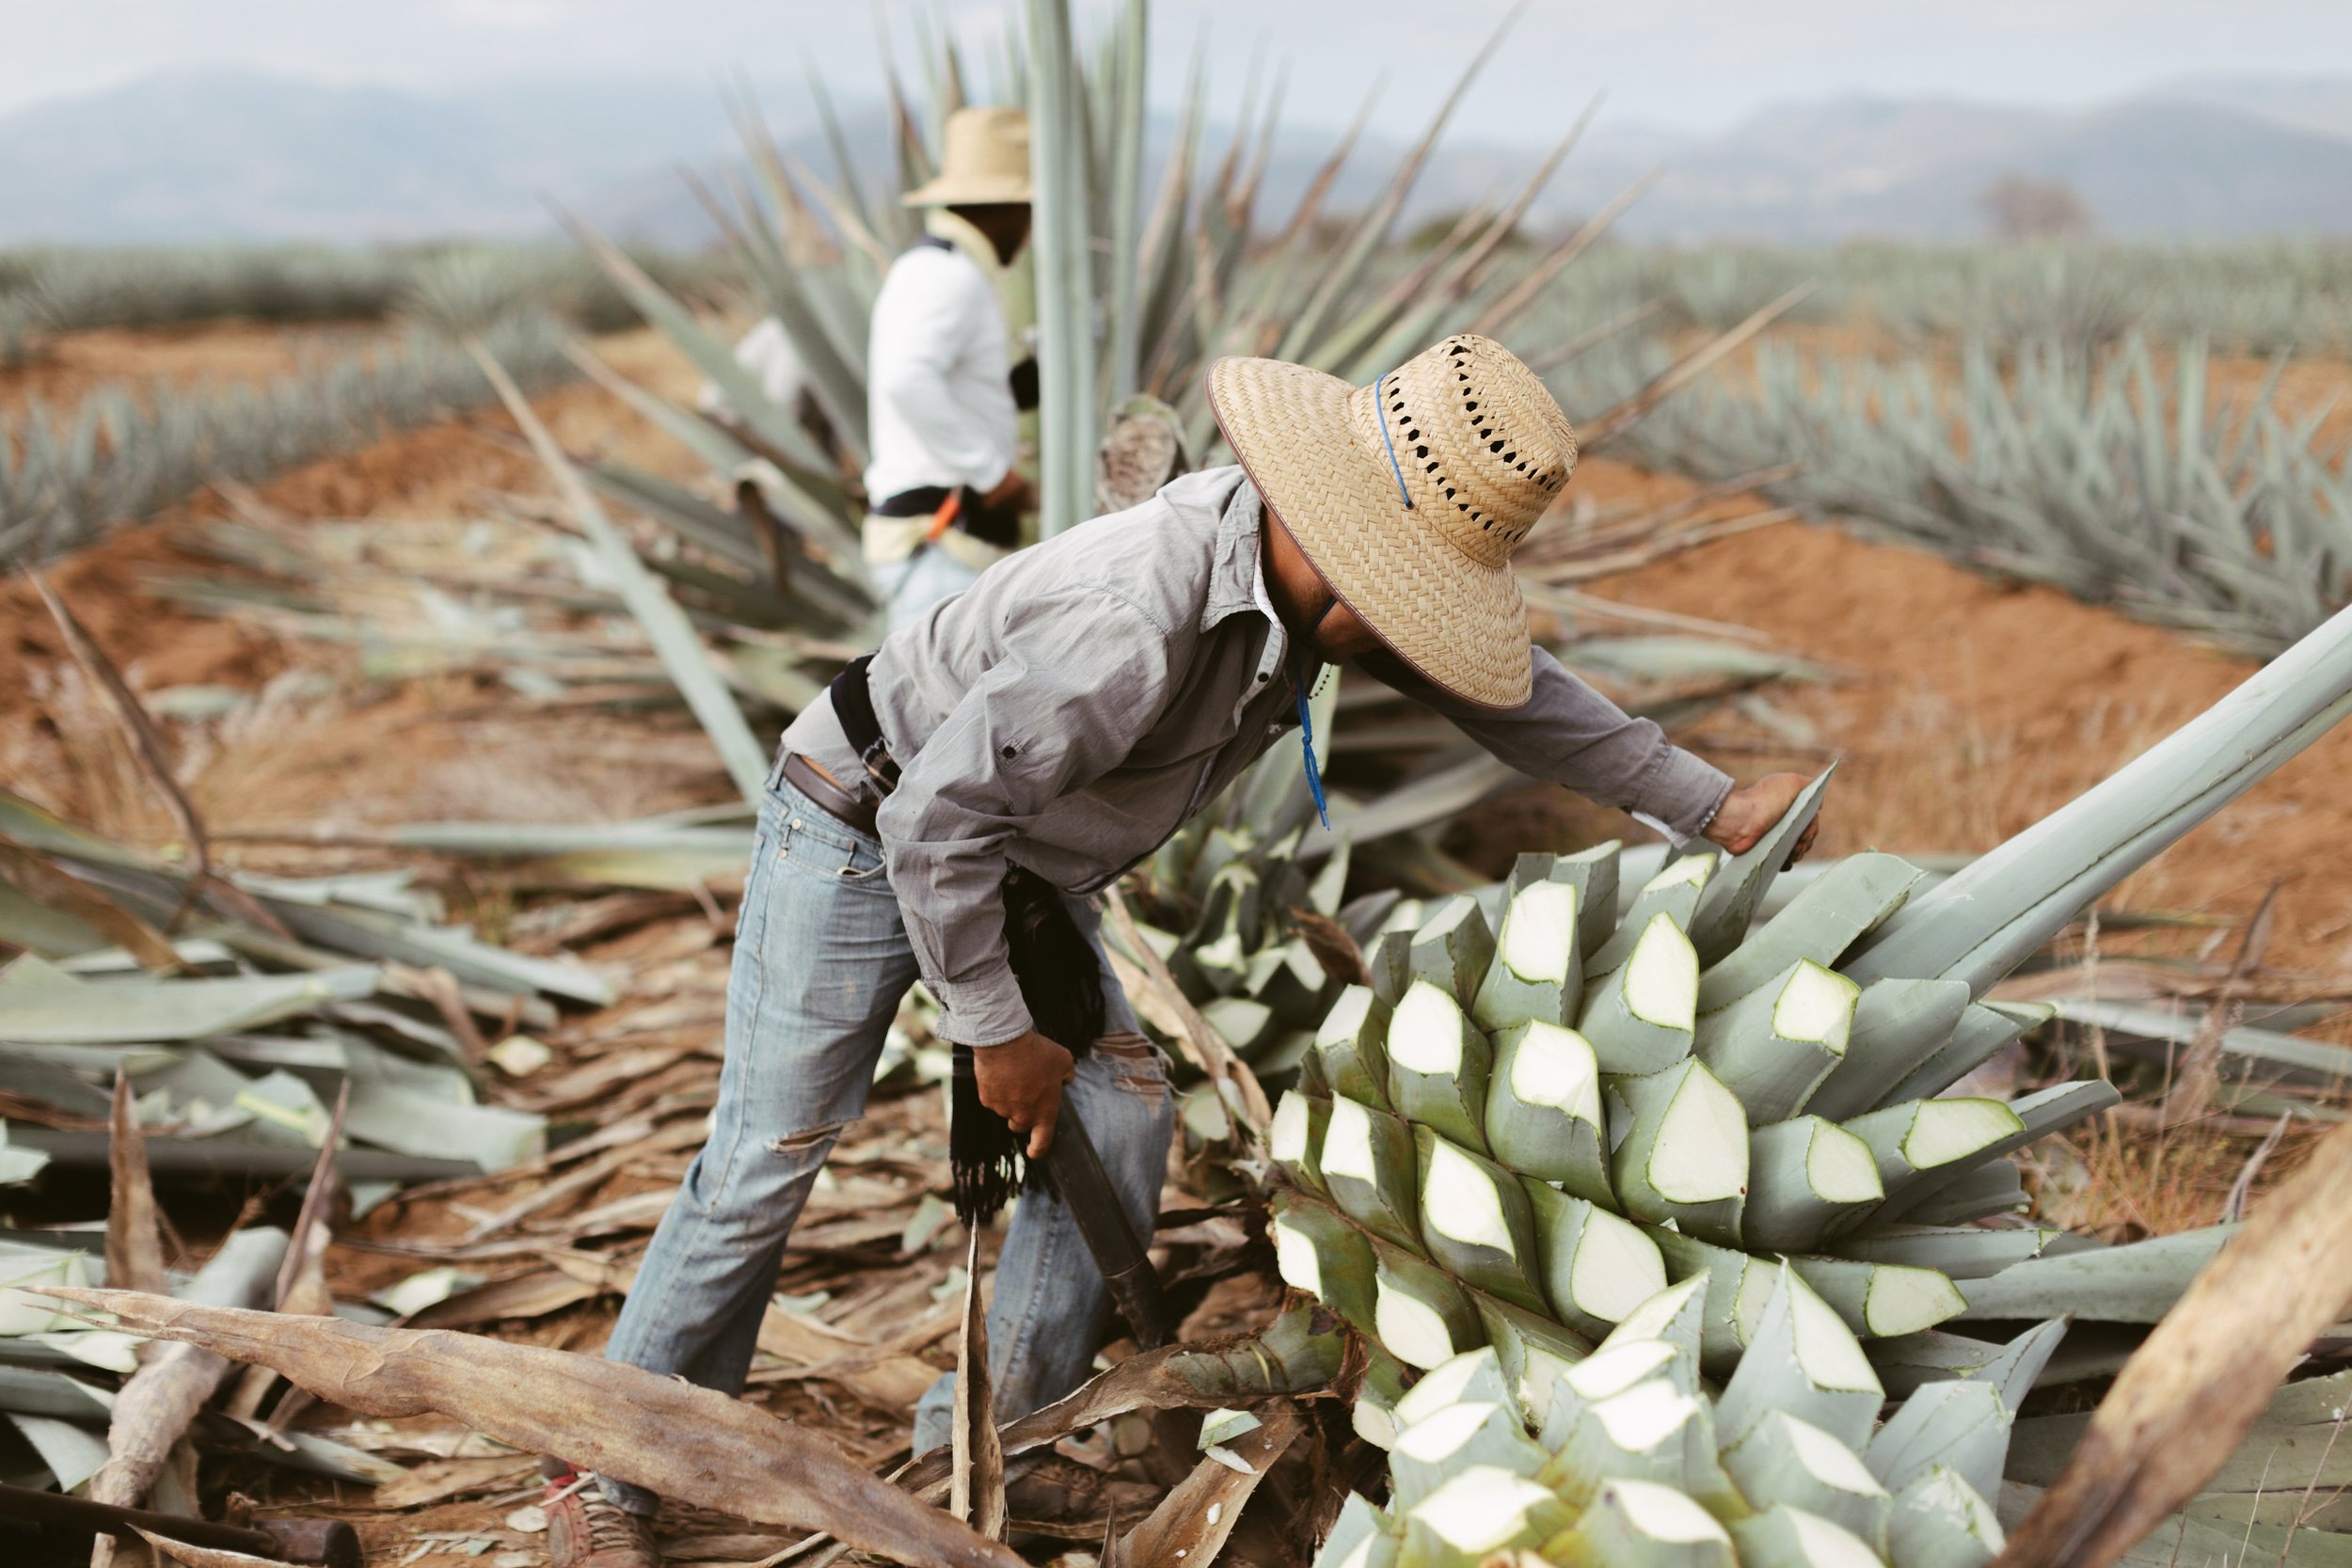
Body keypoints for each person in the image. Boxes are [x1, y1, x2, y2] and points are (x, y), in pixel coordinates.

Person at [541, 332, 1820, 1568]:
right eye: (1409, 605)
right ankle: (598, 1465)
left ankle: (998, 1437)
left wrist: (1708, 802)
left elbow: (1518, 697)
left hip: (1023, 857)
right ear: (1343, 552)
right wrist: (995, 1028)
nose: (1414, 638)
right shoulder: (1135, 621)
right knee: (771, 1153)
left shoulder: (1312, 594)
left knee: (1121, 1115)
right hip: (865, 821)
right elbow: (932, 824)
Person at [862, 104, 1040, 628]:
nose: (1031, 229)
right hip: (940, 547)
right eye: (1029, 209)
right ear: (1005, 208)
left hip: (943, 548)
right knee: (942, 710)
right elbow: (906, 380)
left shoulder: (936, 268)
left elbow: (965, 387)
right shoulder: (949, 278)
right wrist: (989, 473)